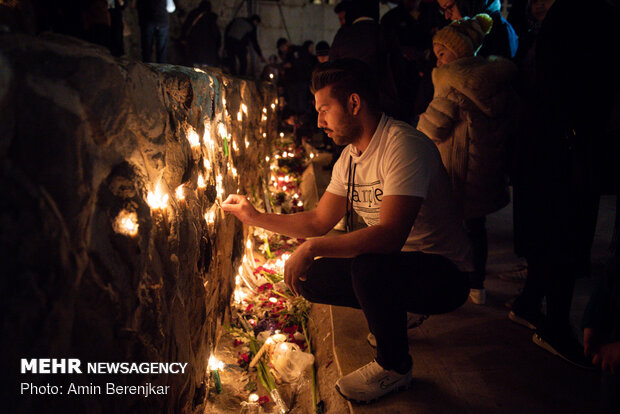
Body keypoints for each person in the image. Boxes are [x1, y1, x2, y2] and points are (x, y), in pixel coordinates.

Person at [222, 59, 472, 403]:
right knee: (310, 279)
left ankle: (395, 366)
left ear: (354, 103)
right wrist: (254, 217)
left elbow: (389, 236)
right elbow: (317, 221)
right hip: (401, 266)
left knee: (370, 267)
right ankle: (398, 310)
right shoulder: (350, 157)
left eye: (325, 109)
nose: (320, 121)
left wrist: (310, 248)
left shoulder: (403, 146)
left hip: (446, 275)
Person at [508, 0, 619, 368]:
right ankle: (554, 325)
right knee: (565, 232)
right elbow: (587, 83)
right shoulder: (588, 14)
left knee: (550, 229)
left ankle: (529, 303)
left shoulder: (568, 17)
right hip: (568, 146)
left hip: (549, 143)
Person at [417, 14, 518, 305]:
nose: (438, 61)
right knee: (477, 227)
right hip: (485, 169)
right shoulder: (495, 79)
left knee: (448, 229)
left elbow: (433, 127)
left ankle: (452, 283)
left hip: (456, 169)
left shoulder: (450, 82)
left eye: (442, 54)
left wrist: (414, 132)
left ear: (458, 52)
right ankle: (478, 285)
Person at [436, 0, 518, 58]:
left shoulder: (500, 32)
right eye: (443, 10)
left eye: (449, 7)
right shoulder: (467, 31)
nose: (447, 16)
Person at [181, 0, 221, 66]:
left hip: (194, 50)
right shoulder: (211, 19)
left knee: (194, 70)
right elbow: (216, 35)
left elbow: (186, 27)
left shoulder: (193, 15)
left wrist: (183, 38)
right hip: (208, 54)